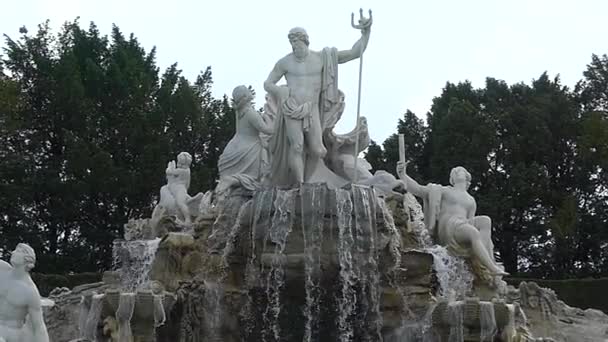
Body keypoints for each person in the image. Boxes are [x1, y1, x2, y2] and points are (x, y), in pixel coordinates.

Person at [263, 12, 372, 187]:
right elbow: (268, 83)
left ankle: (314, 176)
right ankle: (300, 184)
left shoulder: (322, 58)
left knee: (318, 149)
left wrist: (366, 32)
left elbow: (354, 53)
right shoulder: (284, 62)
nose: (294, 46)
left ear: (305, 41)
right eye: (291, 42)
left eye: (296, 42)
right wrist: (279, 91)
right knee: (296, 146)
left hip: (311, 108)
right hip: (291, 108)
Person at [396, 161, 508, 276]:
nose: (457, 172)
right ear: (452, 179)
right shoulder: (444, 191)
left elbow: (470, 220)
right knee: (473, 232)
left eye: (460, 171)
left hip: (462, 225)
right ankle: (492, 268)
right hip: (449, 227)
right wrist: (403, 175)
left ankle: (484, 259)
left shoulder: (471, 200)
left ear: (467, 177)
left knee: (486, 220)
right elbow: (418, 189)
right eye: (455, 172)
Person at [216, 85, 274, 194]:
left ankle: (227, 189)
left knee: (240, 184)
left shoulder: (239, 111)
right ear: (246, 95)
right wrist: (272, 120)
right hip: (248, 149)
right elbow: (268, 130)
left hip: (233, 147)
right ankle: (232, 180)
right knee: (252, 177)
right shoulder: (250, 113)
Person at [0, 243, 49, 342]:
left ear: (27, 259)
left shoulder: (30, 291)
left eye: (18, 251)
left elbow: (39, 326)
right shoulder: (2, 269)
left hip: (11, 333)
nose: (13, 252)